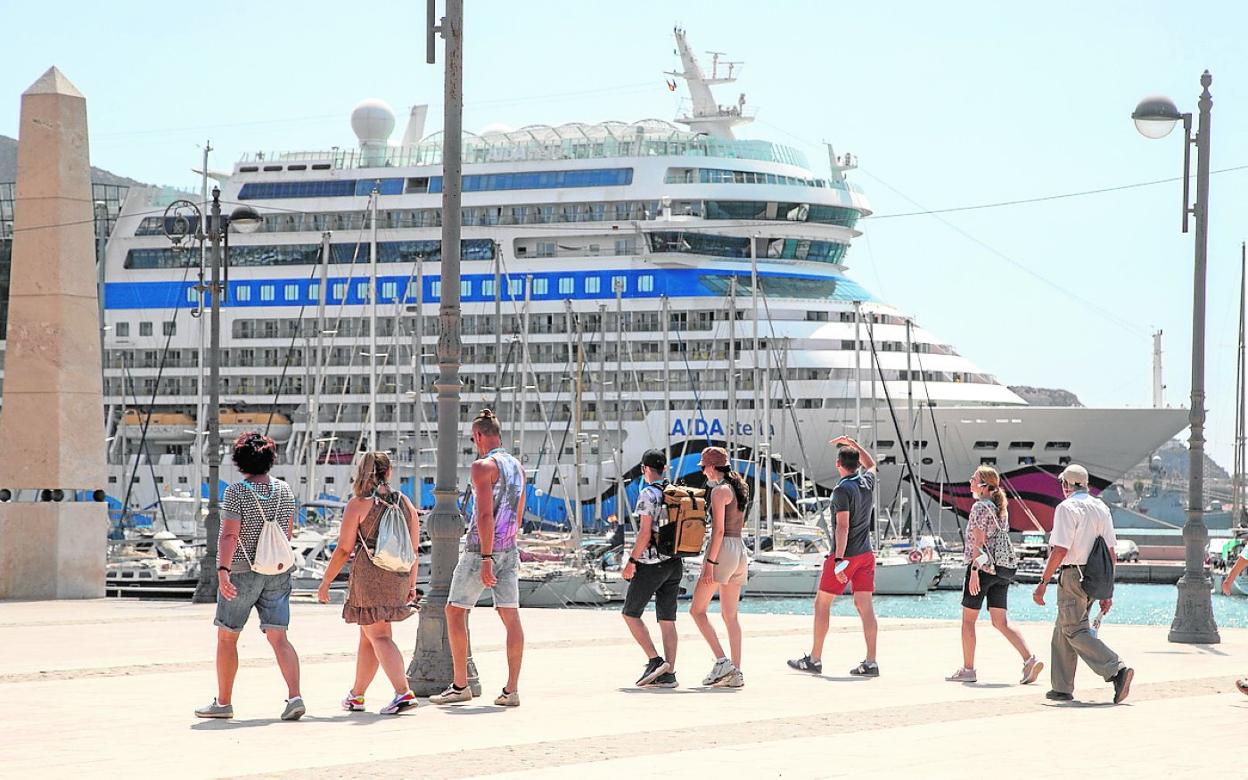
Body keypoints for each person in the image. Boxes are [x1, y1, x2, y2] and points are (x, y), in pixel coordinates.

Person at [195, 432, 304, 720]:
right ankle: (295, 696)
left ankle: (224, 702)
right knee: (279, 637)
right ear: (270, 459)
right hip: (277, 571)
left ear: (240, 461)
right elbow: (287, 533)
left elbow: (229, 535)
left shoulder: (236, 492)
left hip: (242, 571)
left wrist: (222, 571)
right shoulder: (284, 490)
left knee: (227, 637)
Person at [430, 409, 527, 707]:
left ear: (479, 436)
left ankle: (461, 685)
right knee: (511, 618)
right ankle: (511, 690)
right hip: (509, 548)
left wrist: (486, 557)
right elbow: (519, 513)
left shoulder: (482, 466)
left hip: (479, 551)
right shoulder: (517, 466)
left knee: (455, 610)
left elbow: (484, 514)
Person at [317, 452, 422, 715]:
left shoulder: (358, 504)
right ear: (389, 473)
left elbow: (343, 549)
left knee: (380, 636)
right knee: (369, 636)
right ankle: (357, 695)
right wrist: (411, 583)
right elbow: (414, 549)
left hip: (370, 576)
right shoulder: (405, 503)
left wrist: (326, 582)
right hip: (397, 575)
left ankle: (403, 692)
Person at [1032, 464, 1134, 704]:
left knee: (1074, 630)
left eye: (1062, 484)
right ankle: (1061, 687)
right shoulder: (1101, 507)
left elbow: (1060, 549)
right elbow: (1112, 553)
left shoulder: (1066, 508)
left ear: (1067, 484)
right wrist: (1108, 591)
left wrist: (1043, 582)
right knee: (1063, 629)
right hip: (1096, 576)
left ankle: (1116, 670)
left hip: (1073, 575)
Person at [788, 435, 880, 677]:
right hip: (866, 554)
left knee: (822, 604)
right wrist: (854, 443)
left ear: (838, 464)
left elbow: (842, 526)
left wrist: (838, 560)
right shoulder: (866, 481)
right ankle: (871, 662)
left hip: (845, 555)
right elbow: (872, 465)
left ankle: (815, 659)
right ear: (857, 463)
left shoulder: (842, 490)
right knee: (865, 606)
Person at [944, 465, 1043, 685]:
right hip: (1001, 569)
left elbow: (979, 543)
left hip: (982, 568)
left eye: (974, 478)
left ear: (983, 486)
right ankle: (1029, 659)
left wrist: (974, 573)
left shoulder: (980, 507)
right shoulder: (1001, 509)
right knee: (1000, 621)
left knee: (968, 621)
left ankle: (968, 669)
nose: (970, 481)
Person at [620, 448, 681, 688]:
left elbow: (645, 533)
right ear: (664, 468)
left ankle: (655, 660)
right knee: (667, 620)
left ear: (646, 469)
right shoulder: (674, 492)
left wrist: (632, 562)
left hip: (651, 564)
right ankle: (669, 673)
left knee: (630, 613)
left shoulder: (648, 493)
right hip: (675, 563)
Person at [689, 446, 750, 688]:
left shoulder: (719, 492)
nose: (703, 472)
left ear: (713, 467)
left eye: (704, 467)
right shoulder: (739, 488)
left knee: (697, 610)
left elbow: (719, 531)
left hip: (722, 550)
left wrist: (709, 564)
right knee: (730, 615)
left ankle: (722, 661)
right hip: (740, 550)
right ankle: (736, 671)